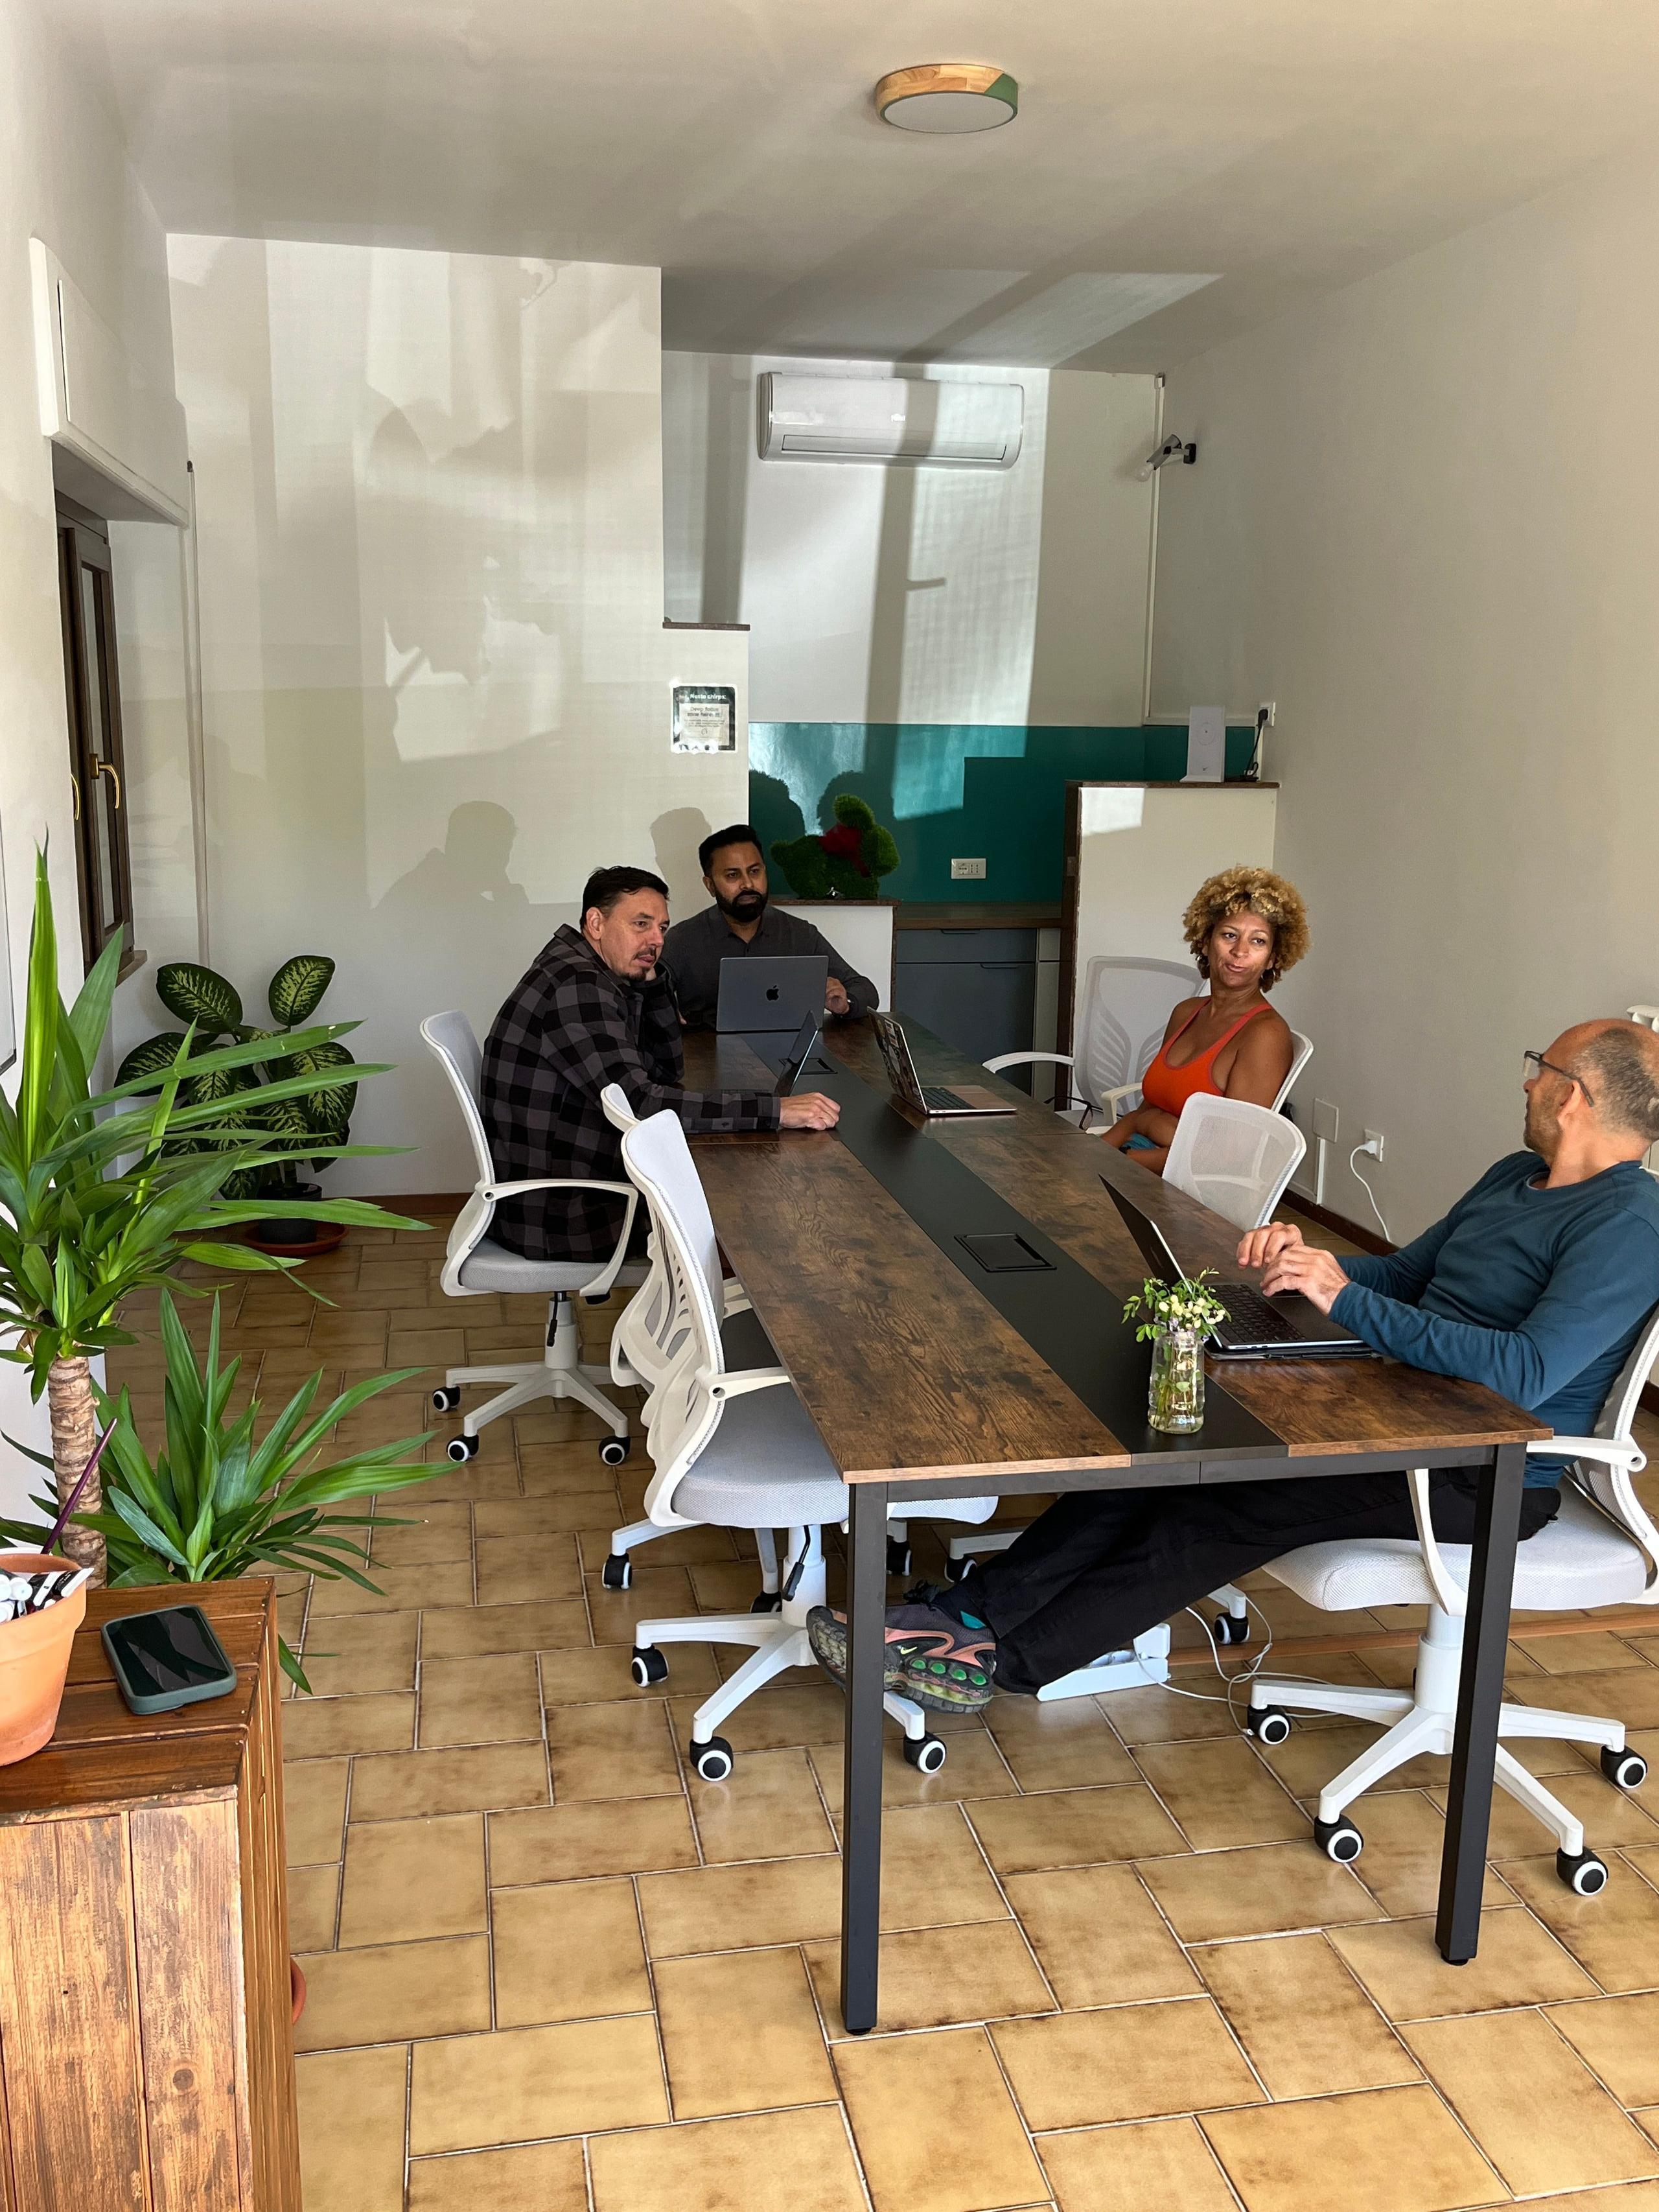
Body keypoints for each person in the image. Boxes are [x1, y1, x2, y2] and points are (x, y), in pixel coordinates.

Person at [808, 1018, 1659, 1716]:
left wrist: (1346, 1299)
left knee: (1222, 1504)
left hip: (1488, 1468)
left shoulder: (1628, 1225)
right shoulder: (1518, 1175)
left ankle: (1005, 1660)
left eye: (1538, 1066)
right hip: (1400, 1403)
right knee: (1164, 1458)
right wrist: (1306, 1263)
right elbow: (1403, 1277)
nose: (1525, 1081)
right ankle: (964, 1612)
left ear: (1574, 1095)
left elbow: (1527, 1374)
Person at [480, 865, 839, 1264]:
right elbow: (642, 1105)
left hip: (559, 1195)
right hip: (567, 1215)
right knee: (753, 1226)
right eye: (641, 924)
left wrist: (652, 985)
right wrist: (775, 1110)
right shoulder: (577, 986)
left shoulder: (587, 971)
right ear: (596, 923)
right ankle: (702, 1325)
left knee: (736, 1196)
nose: (655, 941)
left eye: (662, 929)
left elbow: (666, 1072)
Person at [1102, 865, 1308, 1174]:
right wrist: (1095, 1153)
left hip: (1187, 1188)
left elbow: (1226, 1156)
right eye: (1229, 935)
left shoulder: (1265, 1034)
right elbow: (1147, 1110)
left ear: (1274, 958)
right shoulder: (1186, 1012)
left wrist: (1124, 1163)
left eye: (1258, 941)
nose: (1240, 952)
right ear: (1204, 941)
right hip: (1142, 1159)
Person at [660, 824, 880, 1030]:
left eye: (754, 872)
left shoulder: (799, 934)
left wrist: (845, 1003)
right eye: (732, 875)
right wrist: (659, 1008)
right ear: (710, 886)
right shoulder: (683, 940)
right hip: (706, 1060)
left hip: (787, 1057)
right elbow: (643, 990)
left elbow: (866, 990)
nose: (747, 884)